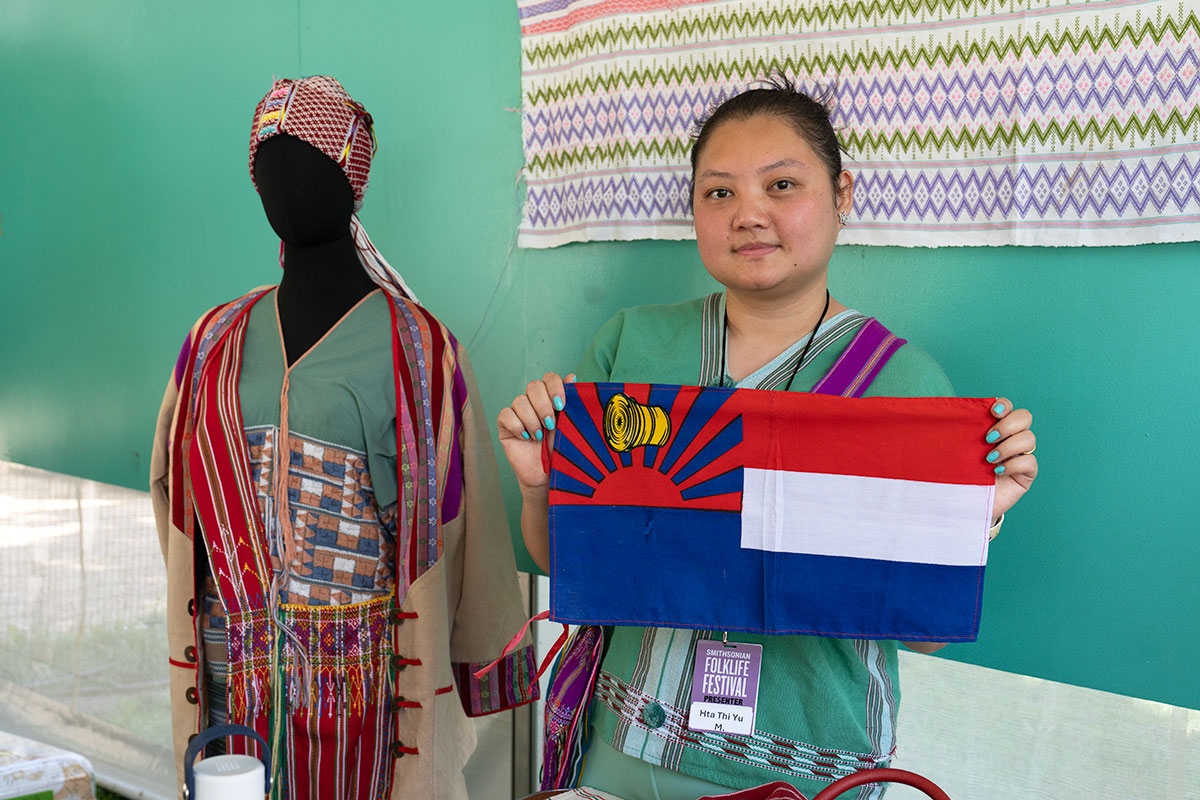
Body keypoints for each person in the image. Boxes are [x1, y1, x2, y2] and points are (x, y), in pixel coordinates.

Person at [499, 78, 1038, 800]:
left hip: (805, 771)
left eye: (781, 184)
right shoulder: (630, 348)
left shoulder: (903, 384)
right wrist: (541, 485)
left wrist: (980, 516)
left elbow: (924, 631)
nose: (748, 214)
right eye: (718, 193)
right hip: (623, 745)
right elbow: (572, 564)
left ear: (842, 195)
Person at [150, 75, 537, 800]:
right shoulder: (211, 342)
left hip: (370, 697)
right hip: (230, 688)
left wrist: (487, 656)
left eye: (309, 161)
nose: (286, 185)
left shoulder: (418, 350)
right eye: (268, 166)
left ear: (351, 177)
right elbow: (176, 507)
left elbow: (467, 518)